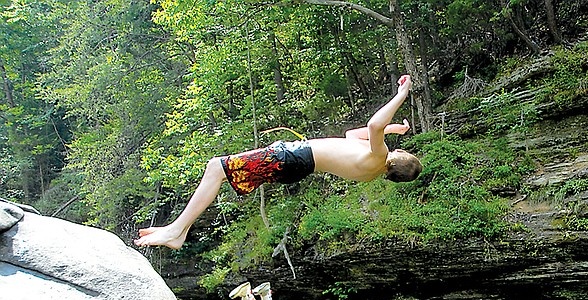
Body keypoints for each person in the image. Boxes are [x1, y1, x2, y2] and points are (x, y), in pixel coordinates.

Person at [135, 75, 422, 249]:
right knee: (219, 170)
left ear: (398, 157)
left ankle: (176, 231)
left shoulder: (379, 156)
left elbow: (373, 126)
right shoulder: (371, 167)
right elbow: (351, 135)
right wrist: (394, 127)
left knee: (216, 167)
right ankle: (179, 229)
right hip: (294, 163)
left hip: (292, 158)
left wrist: (401, 95)